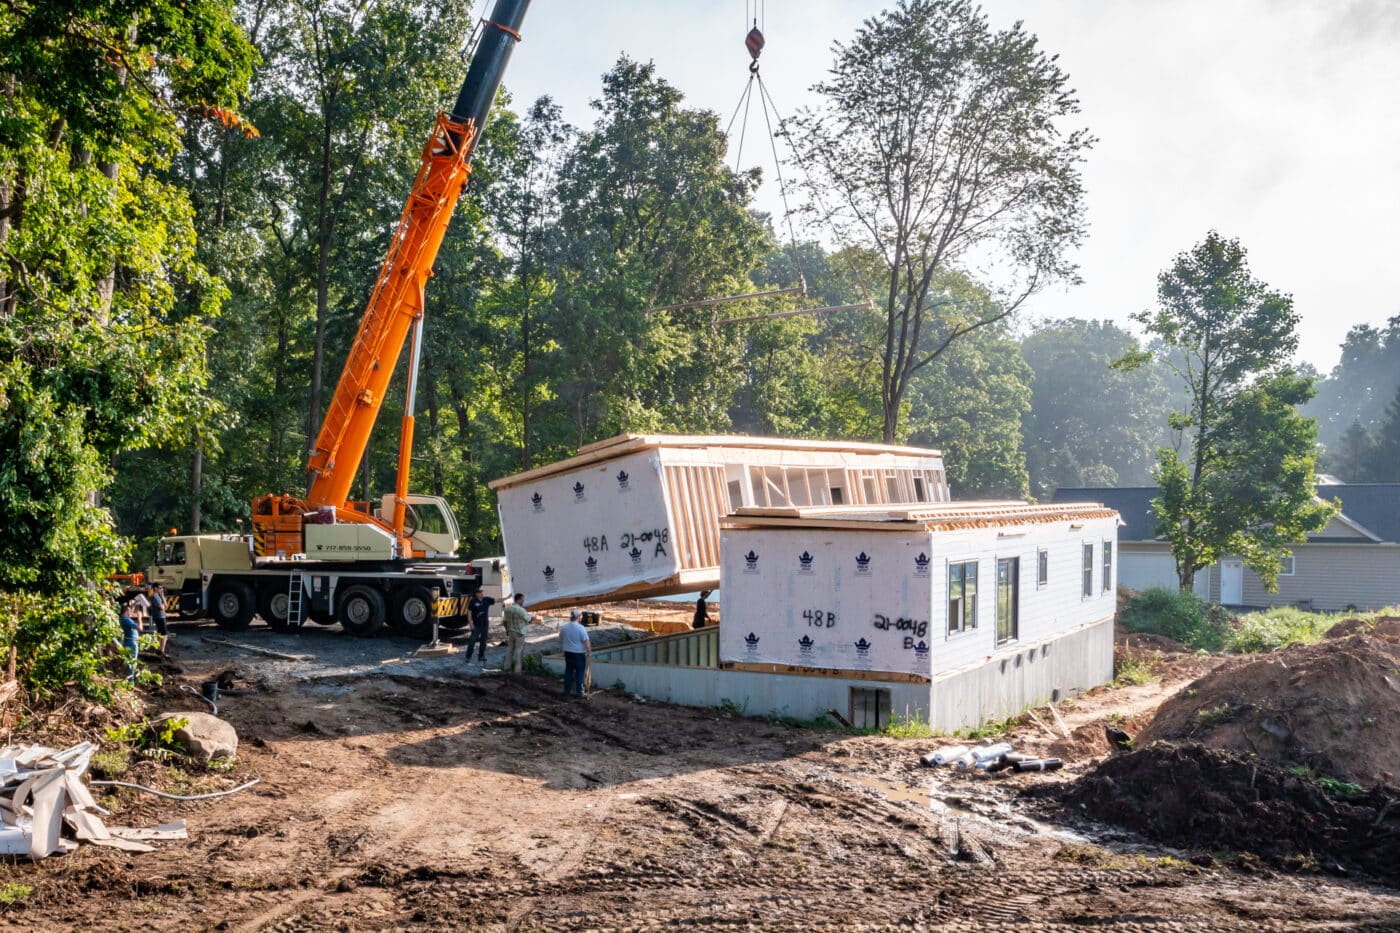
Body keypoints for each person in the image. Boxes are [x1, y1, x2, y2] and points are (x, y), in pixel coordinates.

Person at [559, 610, 591, 698]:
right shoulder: (581, 628)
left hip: (568, 653)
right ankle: (580, 692)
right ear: (577, 617)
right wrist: (589, 651)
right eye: (580, 616)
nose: (581, 618)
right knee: (579, 673)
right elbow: (586, 641)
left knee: (568, 672)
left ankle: (566, 691)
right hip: (579, 654)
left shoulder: (564, 627)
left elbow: (561, 639)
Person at [501, 593, 532, 673]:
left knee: (509, 650)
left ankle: (506, 668)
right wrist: (532, 618)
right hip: (520, 633)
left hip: (510, 632)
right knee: (519, 651)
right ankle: (517, 671)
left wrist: (507, 630)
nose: (523, 601)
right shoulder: (521, 610)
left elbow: (504, 622)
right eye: (522, 599)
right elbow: (529, 619)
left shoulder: (507, 609)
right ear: (519, 599)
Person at [464, 592, 494, 663]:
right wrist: (470, 623)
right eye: (479, 593)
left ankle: (481, 656)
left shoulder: (486, 599)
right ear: (476, 594)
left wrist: (507, 598)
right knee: (472, 641)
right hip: (476, 625)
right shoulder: (473, 601)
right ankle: (468, 656)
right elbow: (469, 612)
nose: (482, 594)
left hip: (485, 625)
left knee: (483, 641)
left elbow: (497, 600)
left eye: (482, 592)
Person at [116, 597, 140, 682]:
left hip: (127, 642)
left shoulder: (122, 618)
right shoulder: (126, 620)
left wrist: (135, 603)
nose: (131, 612)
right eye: (129, 611)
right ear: (126, 612)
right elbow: (140, 628)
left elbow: (130, 610)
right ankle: (131, 682)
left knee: (129, 662)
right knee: (132, 663)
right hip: (132, 643)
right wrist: (139, 617)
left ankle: (128, 680)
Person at [148, 584, 169, 658]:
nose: (161, 589)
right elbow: (162, 607)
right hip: (159, 617)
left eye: (162, 588)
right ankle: (161, 651)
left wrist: (162, 595)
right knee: (164, 634)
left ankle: (158, 649)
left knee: (160, 634)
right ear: (155, 588)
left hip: (160, 617)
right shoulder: (155, 596)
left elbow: (165, 605)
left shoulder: (158, 596)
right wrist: (163, 605)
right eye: (160, 588)